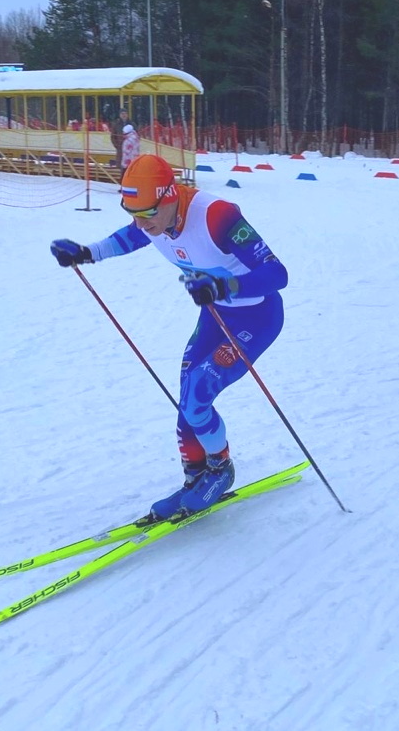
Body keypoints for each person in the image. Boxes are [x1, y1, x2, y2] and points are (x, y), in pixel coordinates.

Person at [49, 154, 288, 520]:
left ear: (170, 196)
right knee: (188, 398)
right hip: (215, 313)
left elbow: (277, 274)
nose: (141, 224)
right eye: (133, 213)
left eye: (147, 214)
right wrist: (86, 253)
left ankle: (221, 470)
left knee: (198, 393)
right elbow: (129, 237)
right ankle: (195, 478)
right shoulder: (151, 222)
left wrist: (225, 285)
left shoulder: (217, 216)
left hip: (256, 316)